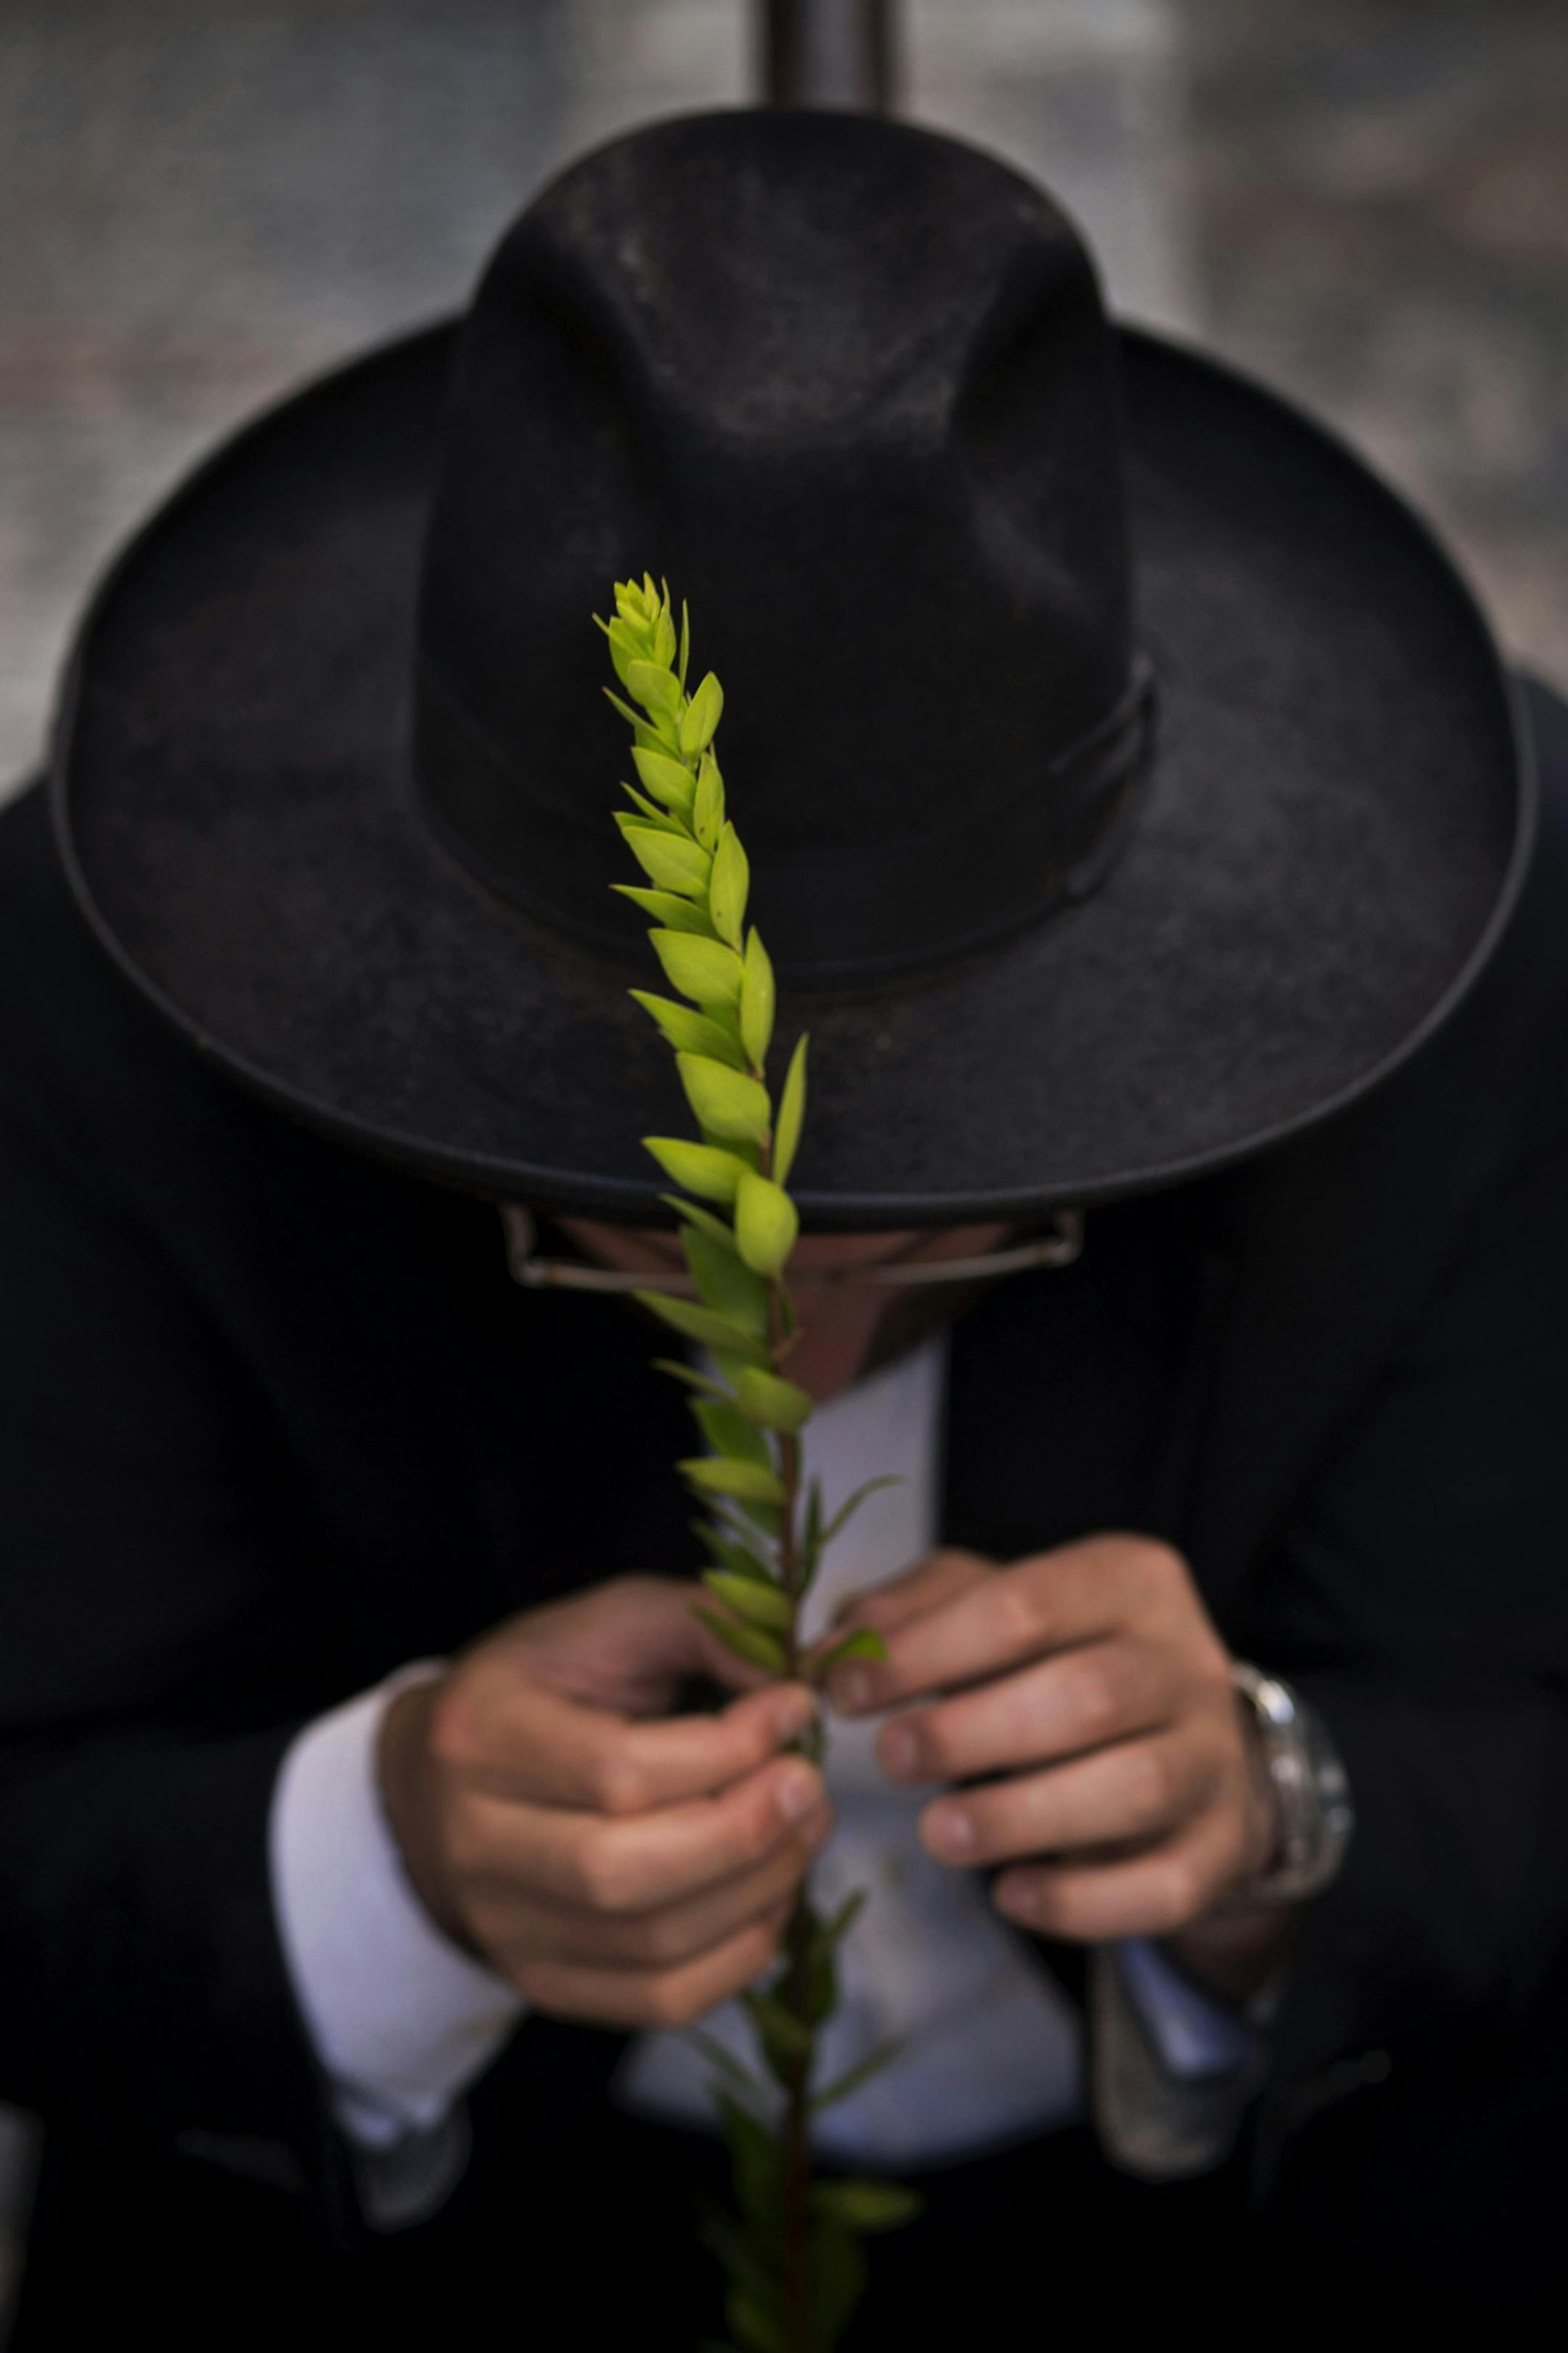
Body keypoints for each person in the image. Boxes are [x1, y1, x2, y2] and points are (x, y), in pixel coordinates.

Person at [3, 107, 1567, 2344]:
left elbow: (1516, 1737)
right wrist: (392, 1859)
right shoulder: (96, 1006)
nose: (782, 1327)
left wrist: (1273, 1816)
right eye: (625, 1220)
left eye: (940, 1214)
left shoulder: (1493, 987)